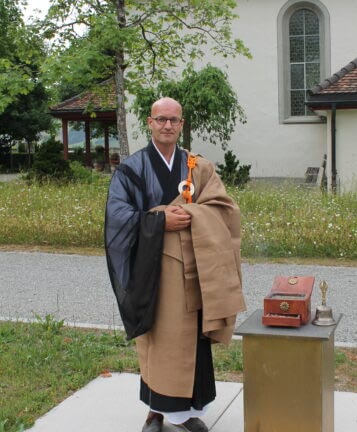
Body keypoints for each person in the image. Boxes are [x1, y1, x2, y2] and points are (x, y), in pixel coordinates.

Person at [105, 97, 246, 432]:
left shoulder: (197, 166)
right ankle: (155, 412)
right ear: (150, 123)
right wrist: (158, 220)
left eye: (174, 120)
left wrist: (193, 213)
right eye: (161, 119)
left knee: (191, 340)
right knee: (157, 338)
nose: (168, 125)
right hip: (155, 271)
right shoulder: (132, 168)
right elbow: (117, 218)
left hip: (195, 268)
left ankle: (188, 413)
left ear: (182, 125)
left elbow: (224, 207)